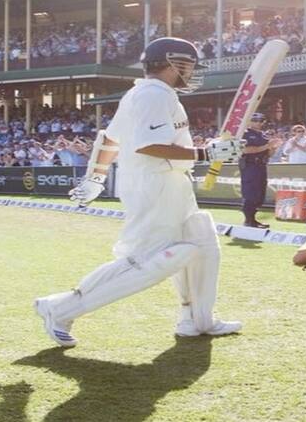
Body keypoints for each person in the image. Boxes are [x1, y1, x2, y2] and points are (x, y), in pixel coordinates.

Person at [34, 37, 243, 347]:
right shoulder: (153, 95)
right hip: (154, 185)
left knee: (202, 241)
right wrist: (206, 154)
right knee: (149, 261)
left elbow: (110, 139)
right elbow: (148, 145)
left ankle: (197, 319)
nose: (191, 72)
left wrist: (96, 178)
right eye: (188, 65)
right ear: (174, 62)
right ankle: (60, 308)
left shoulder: (142, 94)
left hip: (169, 183)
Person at [239, 113, 282, 228]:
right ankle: (248, 219)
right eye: (255, 120)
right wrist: (267, 146)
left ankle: (253, 219)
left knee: (260, 193)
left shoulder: (263, 135)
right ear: (249, 121)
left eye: (261, 120)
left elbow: (269, 154)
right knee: (250, 192)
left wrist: (274, 147)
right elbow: (245, 150)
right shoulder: (245, 134)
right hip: (250, 165)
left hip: (261, 165)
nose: (258, 123)